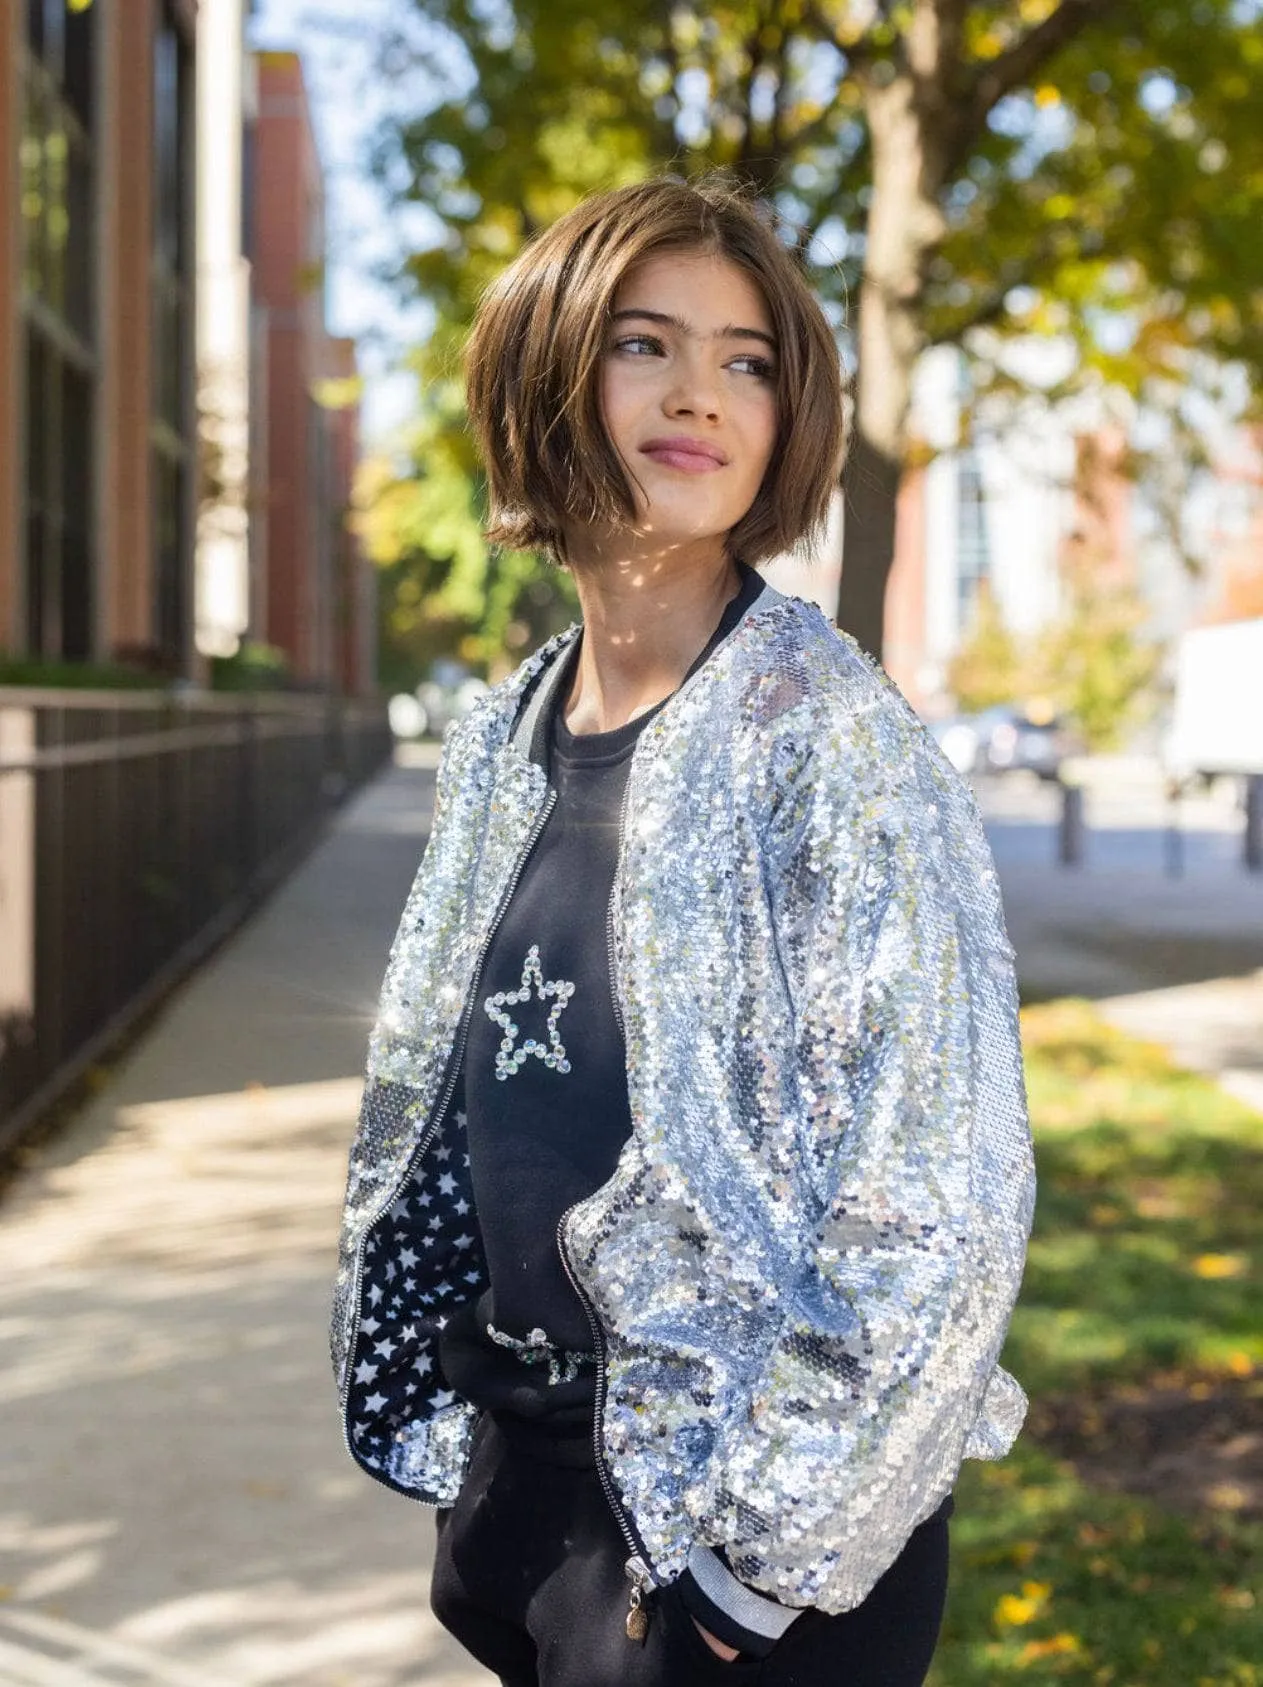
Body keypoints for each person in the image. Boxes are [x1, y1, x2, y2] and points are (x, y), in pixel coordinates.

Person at [331, 176, 1035, 1687]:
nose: (699, 395)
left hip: (730, 1564)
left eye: (748, 359)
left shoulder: (832, 745)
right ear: (550, 369)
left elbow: (942, 1205)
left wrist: (750, 1576)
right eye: (645, 344)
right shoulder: (502, 734)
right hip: (535, 1508)